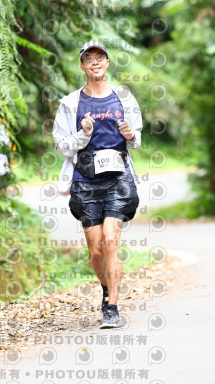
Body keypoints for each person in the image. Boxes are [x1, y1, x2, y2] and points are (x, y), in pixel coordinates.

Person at [52, 40, 143, 328]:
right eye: (88, 58)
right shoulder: (70, 103)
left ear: (107, 62)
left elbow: (137, 139)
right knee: (96, 251)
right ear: (82, 65)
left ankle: (112, 308)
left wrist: (130, 135)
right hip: (85, 181)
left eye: (100, 57)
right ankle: (106, 289)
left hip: (118, 178)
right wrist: (83, 134)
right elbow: (62, 145)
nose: (95, 61)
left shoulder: (124, 98)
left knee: (110, 241)